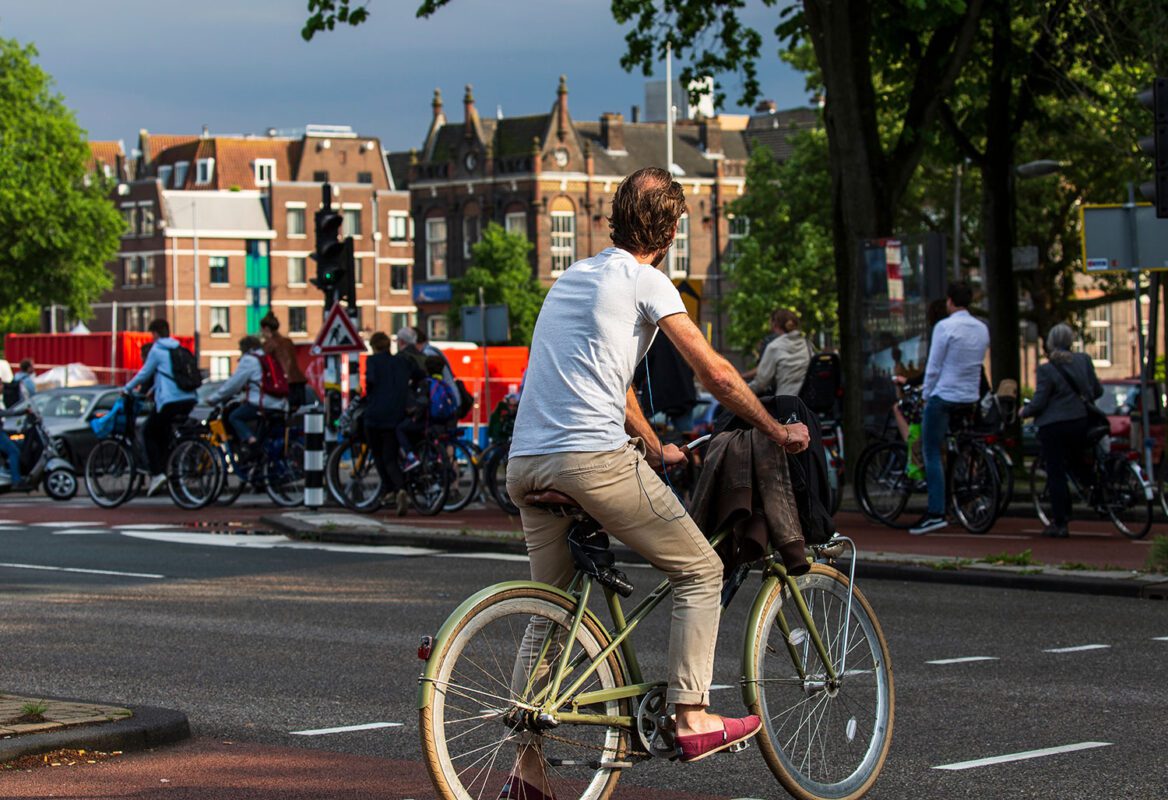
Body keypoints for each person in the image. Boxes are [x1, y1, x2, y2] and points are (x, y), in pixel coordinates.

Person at [502, 166, 809, 796]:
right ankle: (692, 714)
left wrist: (651, 444)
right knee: (700, 569)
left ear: (614, 217)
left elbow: (608, 384)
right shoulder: (646, 279)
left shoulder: (572, 278)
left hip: (526, 463)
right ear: (669, 233)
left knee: (549, 613)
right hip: (589, 461)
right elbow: (714, 374)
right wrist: (776, 430)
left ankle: (525, 773)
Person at [910, 282, 989, 535]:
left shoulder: (944, 327)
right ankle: (960, 497)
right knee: (959, 447)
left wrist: (925, 395)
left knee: (931, 451)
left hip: (945, 396)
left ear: (950, 301)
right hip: (970, 397)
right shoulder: (982, 328)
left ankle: (936, 512)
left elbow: (934, 367)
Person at [1021, 323, 1103, 538]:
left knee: (1055, 471)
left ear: (1050, 343)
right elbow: (1097, 390)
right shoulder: (1084, 360)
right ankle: (1095, 491)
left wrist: (1024, 412)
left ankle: (1060, 521)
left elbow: (1039, 402)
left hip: (1054, 426)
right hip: (1081, 421)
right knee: (1077, 460)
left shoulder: (1046, 369)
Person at [123, 319, 199, 496]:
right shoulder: (178, 348)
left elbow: (144, 374)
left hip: (171, 401)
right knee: (164, 434)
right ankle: (170, 468)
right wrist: (152, 391)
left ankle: (158, 474)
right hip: (189, 399)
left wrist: (126, 388)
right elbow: (165, 377)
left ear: (155, 333)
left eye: (152, 334)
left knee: (148, 432)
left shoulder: (157, 350)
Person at [364, 331, 423, 515]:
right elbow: (420, 374)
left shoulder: (373, 361)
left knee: (379, 455)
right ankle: (400, 489)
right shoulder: (402, 361)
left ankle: (392, 488)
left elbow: (370, 383)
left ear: (374, 347)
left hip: (375, 415)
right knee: (390, 455)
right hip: (397, 414)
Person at [205, 336, 289, 457]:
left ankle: (251, 443)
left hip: (263, 404)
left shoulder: (250, 360)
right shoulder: (268, 357)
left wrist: (214, 398)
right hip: (280, 404)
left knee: (234, 416)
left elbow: (233, 384)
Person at [395, 355, 455, 472]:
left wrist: (415, 416)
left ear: (427, 368)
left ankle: (411, 457)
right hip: (443, 423)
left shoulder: (426, 383)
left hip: (427, 423)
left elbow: (423, 403)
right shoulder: (444, 384)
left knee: (400, 428)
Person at [747, 308, 813, 398]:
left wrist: (742, 389)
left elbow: (761, 383)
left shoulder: (774, 347)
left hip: (785, 401)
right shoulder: (807, 345)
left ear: (775, 325)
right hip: (806, 402)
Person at [260, 313, 308, 408]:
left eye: (262, 331)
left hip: (283, 384)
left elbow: (263, 364)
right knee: (299, 412)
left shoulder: (268, 345)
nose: (261, 333)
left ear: (266, 329)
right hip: (298, 382)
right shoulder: (288, 342)